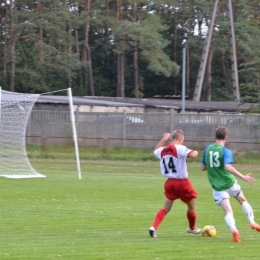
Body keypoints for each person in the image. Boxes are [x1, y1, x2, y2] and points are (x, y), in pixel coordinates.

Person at [201, 126, 260, 243]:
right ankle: (252, 221)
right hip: (229, 182)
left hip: (217, 187)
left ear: (215, 136)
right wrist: (243, 176)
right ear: (226, 138)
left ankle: (234, 230)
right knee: (242, 200)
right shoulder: (226, 151)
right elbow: (227, 166)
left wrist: (212, 166)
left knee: (228, 211)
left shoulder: (207, 149)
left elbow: (203, 167)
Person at [149, 130, 201, 238]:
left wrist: (163, 139)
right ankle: (192, 228)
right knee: (191, 206)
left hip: (169, 183)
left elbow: (155, 151)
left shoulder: (163, 150)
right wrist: (196, 151)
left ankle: (153, 227)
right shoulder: (180, 148)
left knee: (166, 207)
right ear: (180, 139)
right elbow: (193, 155)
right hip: (182, 182)